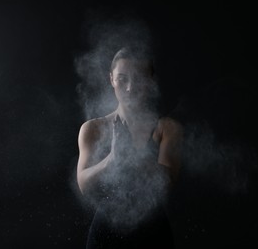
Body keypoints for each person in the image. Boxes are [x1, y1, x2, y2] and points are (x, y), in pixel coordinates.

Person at [76, 46, 183, 249]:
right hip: (105, 235)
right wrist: (113, 158)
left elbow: (168, 182)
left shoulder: (167, 128)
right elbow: (84, 184)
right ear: (111, 79)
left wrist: (134, 156)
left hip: (153, 234)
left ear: (151, 81)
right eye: (122, 78)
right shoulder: (93, 129)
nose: (130, 87)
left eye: (139, 78)